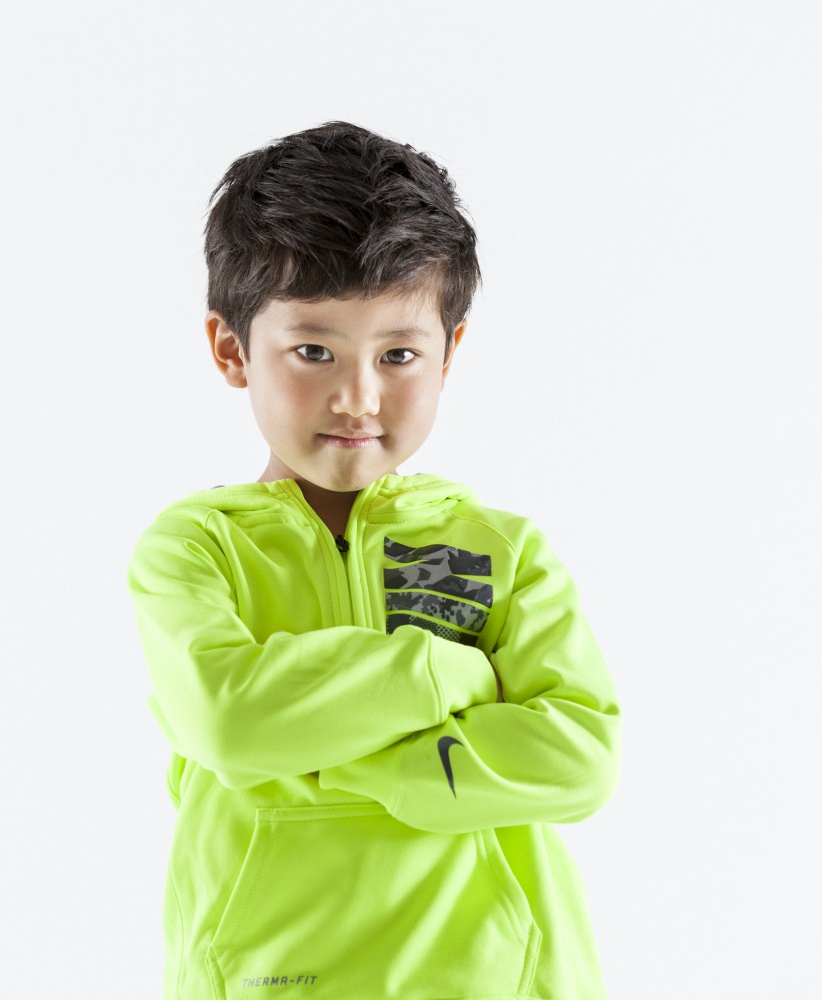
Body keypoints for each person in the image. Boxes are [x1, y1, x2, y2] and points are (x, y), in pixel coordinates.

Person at [126, 121, 621, 1000]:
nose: (358, 397)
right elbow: (232, 724)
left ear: (449, 353)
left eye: (398, 355)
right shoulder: (193, 548)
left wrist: (321, 755)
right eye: (314, 351)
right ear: (233, 349)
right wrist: (446, 676)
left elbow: (579, 758)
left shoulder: (504, 551)